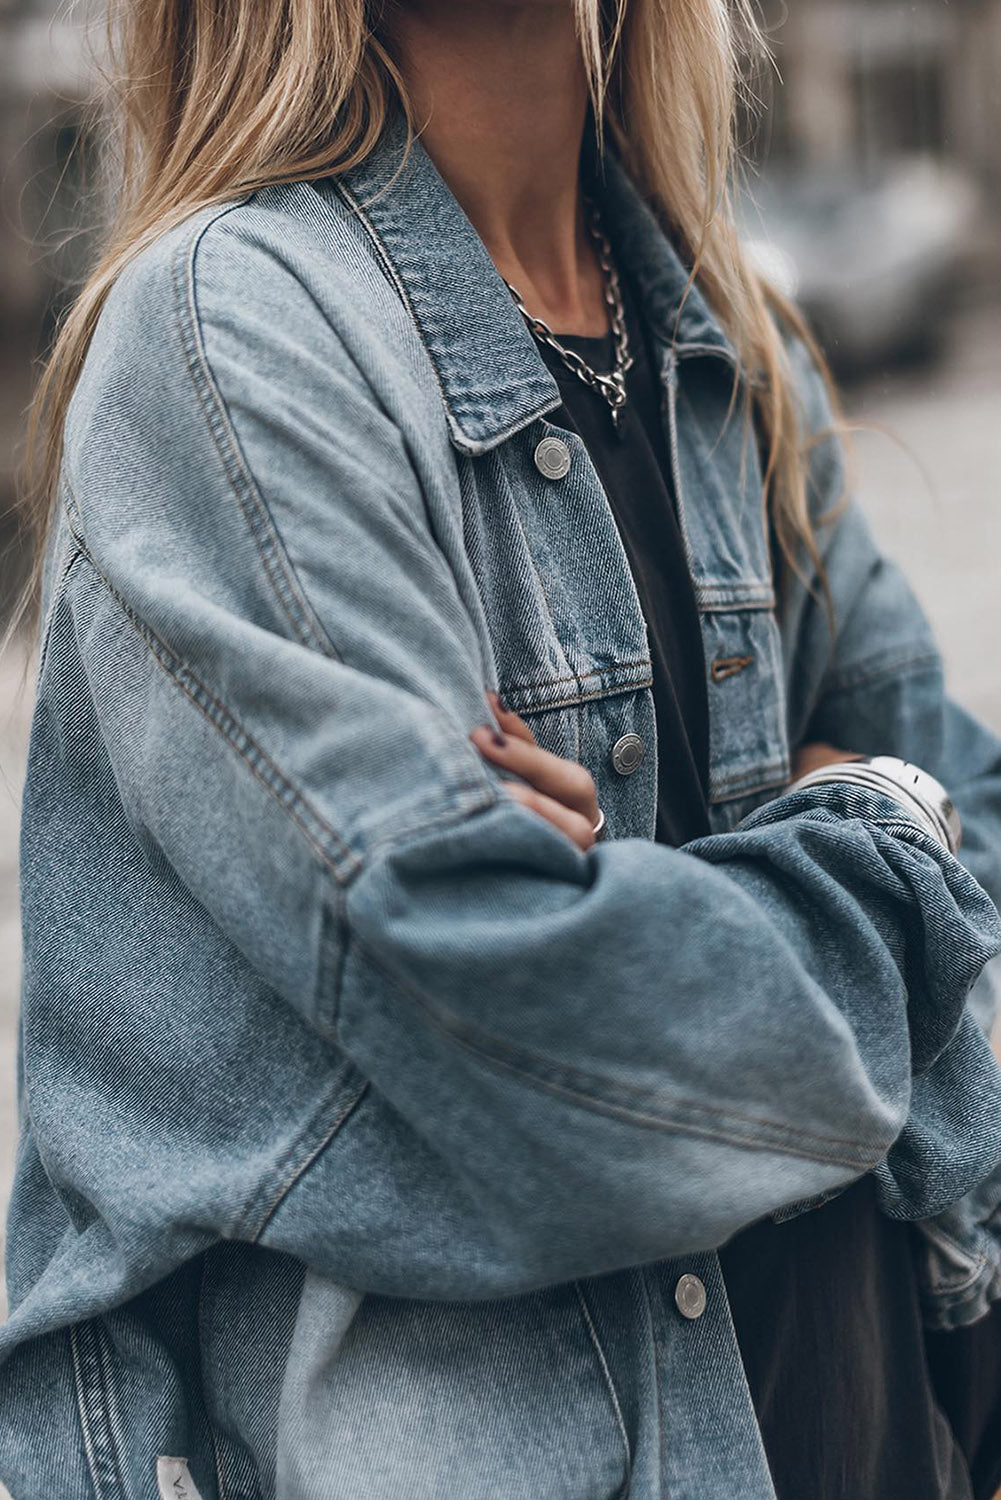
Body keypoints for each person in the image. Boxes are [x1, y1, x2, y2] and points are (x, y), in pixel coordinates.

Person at [4, 1, 1001, 1497]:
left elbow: (961, 798)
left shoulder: (714, 326)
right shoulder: (235, 327)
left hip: (865, 1426)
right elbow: (529, 1029)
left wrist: (758, 864)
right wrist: (869, 833)